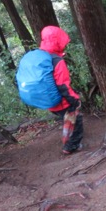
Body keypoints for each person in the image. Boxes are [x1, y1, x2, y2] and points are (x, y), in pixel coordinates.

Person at [40, 26, 84, 154]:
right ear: (57, 40)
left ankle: (67, 141)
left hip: (49, 101)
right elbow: (63, 86)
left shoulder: (42, 57)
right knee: (76, 120)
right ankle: (70, 146)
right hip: (61, 101)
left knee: (67, 120)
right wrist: (74, 100)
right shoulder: (57, 61)